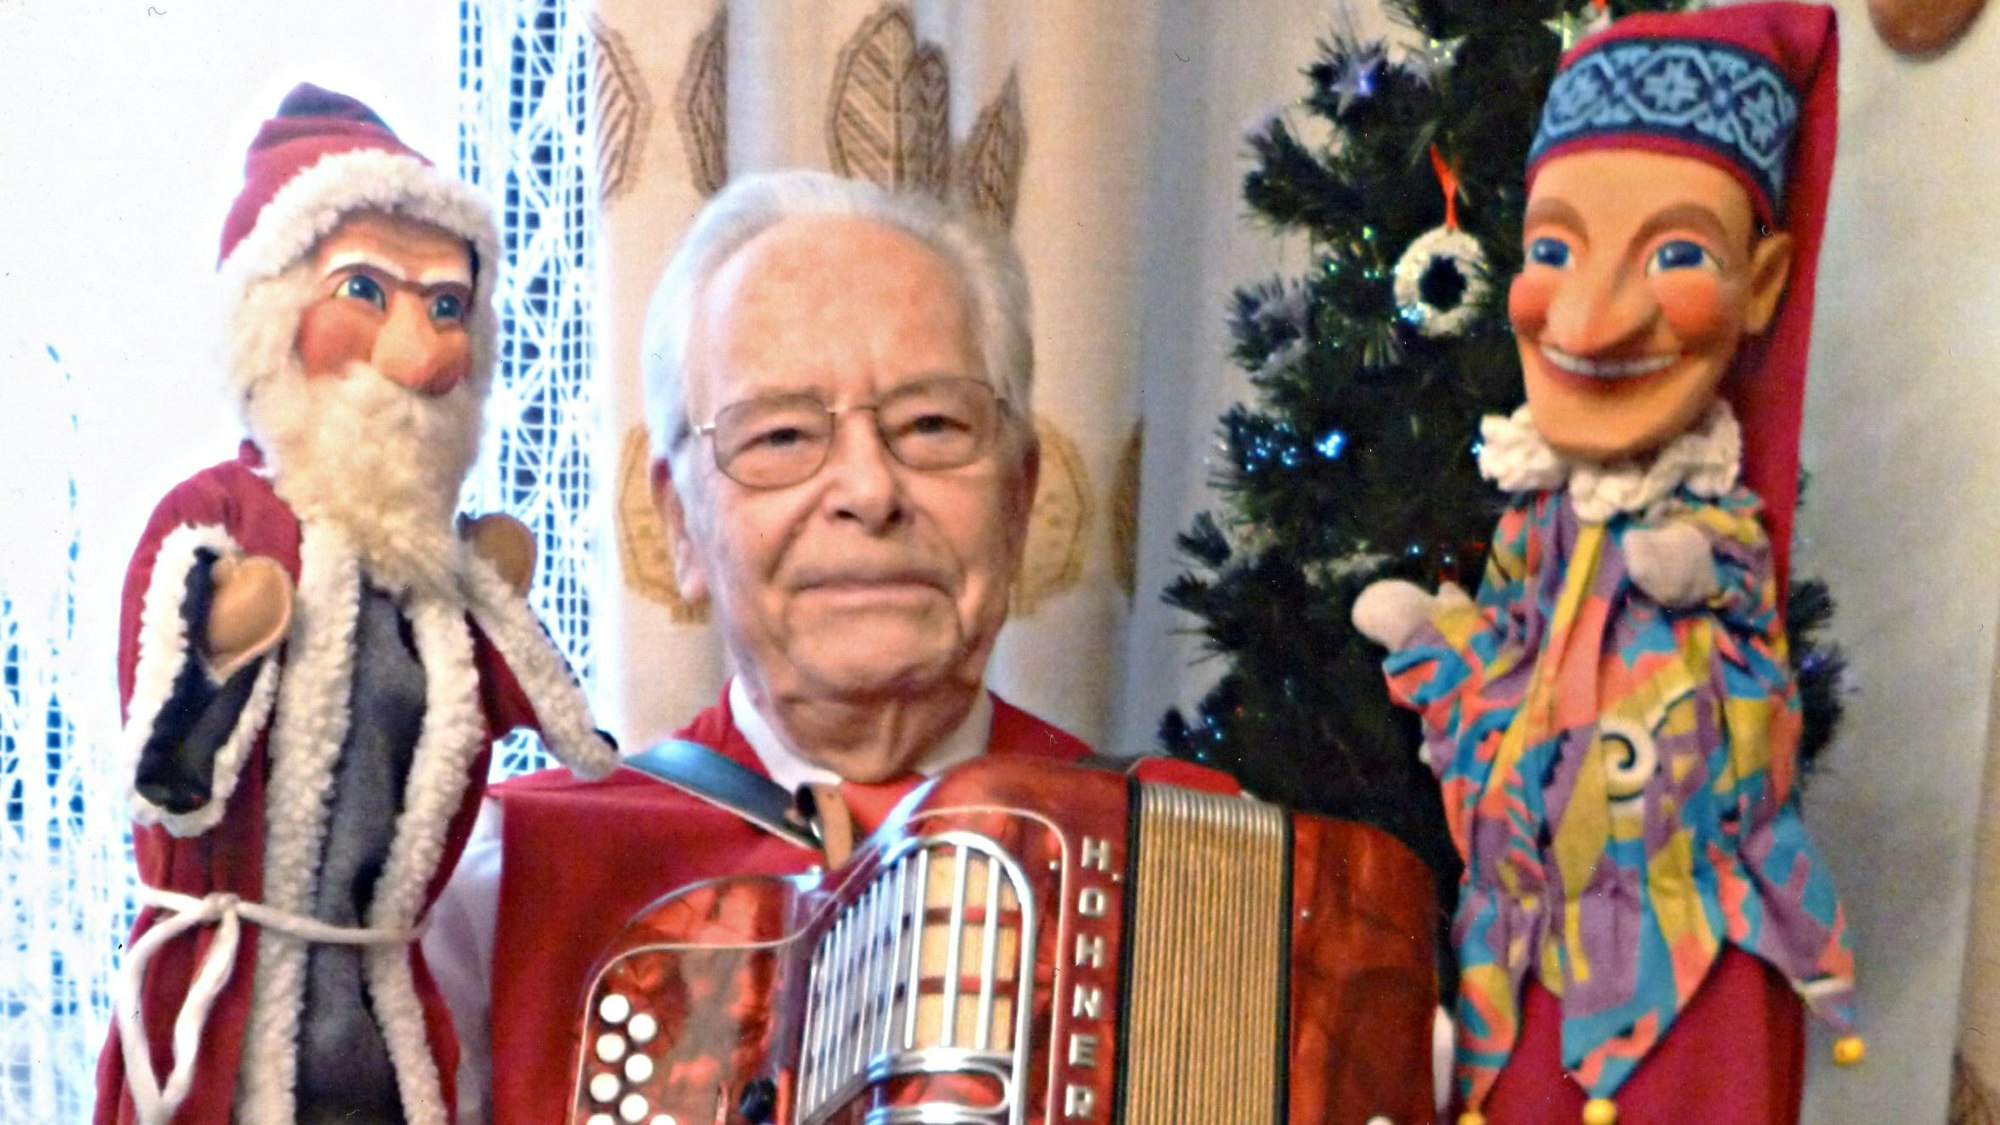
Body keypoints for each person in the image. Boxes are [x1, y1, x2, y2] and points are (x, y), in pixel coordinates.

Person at [423, 170, 1091, 1125]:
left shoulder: (1190, 853)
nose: (869, 489)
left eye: (933, 425)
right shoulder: (499, 879)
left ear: (1019, 494)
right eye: (779, 435)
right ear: (680, 526)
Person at [1352, 6, 1859, 1124]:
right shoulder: (1535, 516)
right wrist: (1442, 648)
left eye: (1675, 253)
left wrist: (1693, 581)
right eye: (1551, 251)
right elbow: (1504, 679)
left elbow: (1739, 738)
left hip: (1675, 971)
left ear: (1760, 283)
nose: (1589, 315)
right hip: (1519, 957)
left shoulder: (1714, 525)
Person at [96, 85, 616, 1125]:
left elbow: (571, 737)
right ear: (274, 313)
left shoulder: (436, 572)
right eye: (367, 292)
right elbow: (168, 780)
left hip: (382, 1018)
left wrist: (499, 609)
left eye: (446, 306)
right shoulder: (215, 519)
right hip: (226, 1026)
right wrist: (223, 658)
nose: (420, 352)